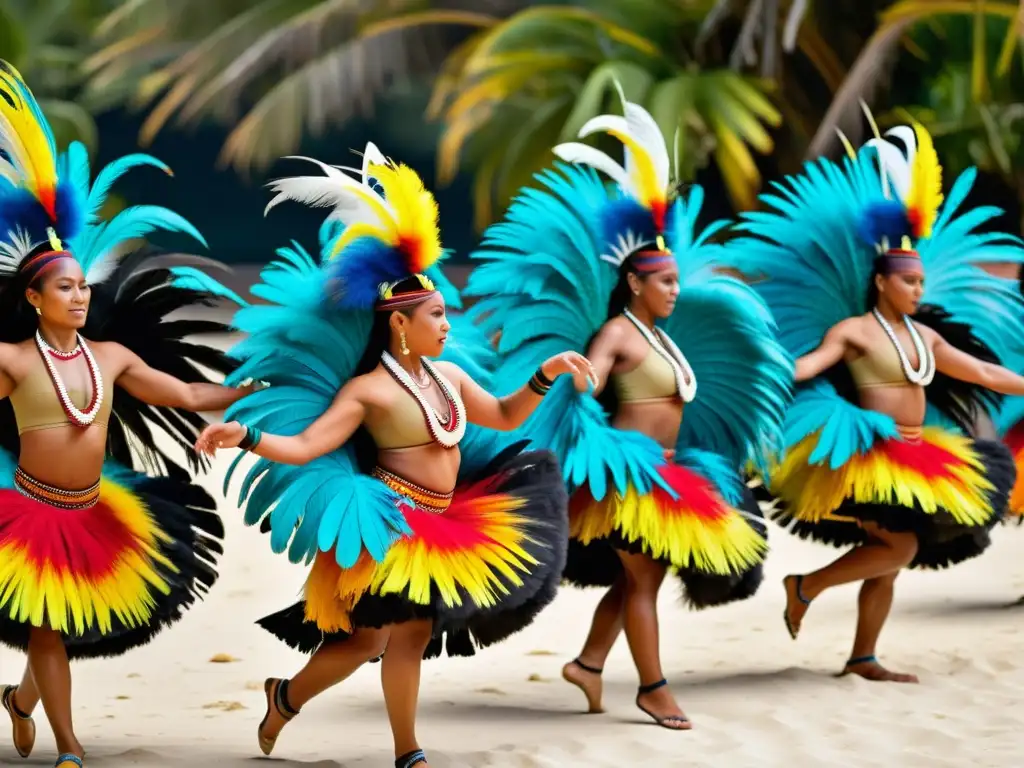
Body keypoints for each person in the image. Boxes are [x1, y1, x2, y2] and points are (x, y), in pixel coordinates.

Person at [193, 143, 590, 768]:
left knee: (404, 636)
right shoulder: (368, 390)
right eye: (436, 314)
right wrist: (243, 434)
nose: (447, 323)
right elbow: (303, 446)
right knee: (365, 643)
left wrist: (545, 373)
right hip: (388, 523)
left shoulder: (452, 376)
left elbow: (509, 415)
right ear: (400, 323)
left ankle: (391, 745)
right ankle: (300, 703)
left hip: (449, 519)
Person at [462, 93, 793, 730]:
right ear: (635, 282)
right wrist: (579, 382)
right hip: (630, 475)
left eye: (676, 280)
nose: (676, 289)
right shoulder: (617, 332)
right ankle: (653, 688)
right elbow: (590, 383)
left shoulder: (665, 338)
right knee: (643, 581)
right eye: (665, 282)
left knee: (641, 576)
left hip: (673, 469)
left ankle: (589, 664)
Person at [0, 62, 252, 767]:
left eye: (84, 286)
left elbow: (188, 395)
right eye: (65, 288)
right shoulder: (14, 361)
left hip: (96, 508)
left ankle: (20, 701)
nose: (80, 296)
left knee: (59, 625)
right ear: (34, 299)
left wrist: (246, 391)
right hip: (28, 511)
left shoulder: (109, 357)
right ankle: (70, 746)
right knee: (48, 628)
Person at [725, 117, 1024, 682]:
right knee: (901, 548)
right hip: (869, 453)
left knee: (888, 566)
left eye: (921, 281)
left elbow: (985, 371)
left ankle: (864, 656)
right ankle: (805, 586)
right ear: (883, 281)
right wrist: (762, 373)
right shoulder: (855, 331)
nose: (919, 288)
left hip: (920, 453)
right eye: (909, 281)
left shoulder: (926, 337)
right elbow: (807, 367)